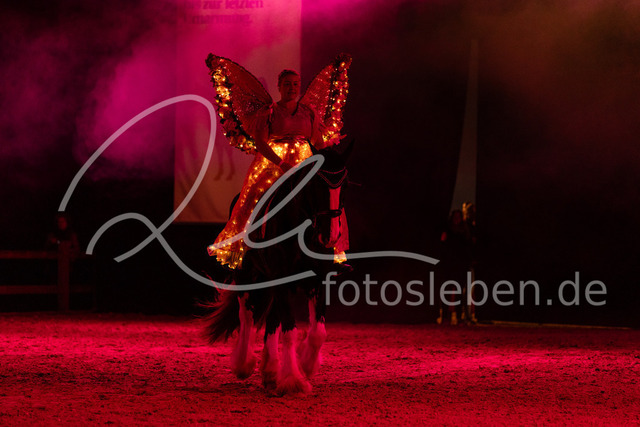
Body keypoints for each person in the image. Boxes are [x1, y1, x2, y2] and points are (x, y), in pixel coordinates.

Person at [207, 69, 347, 269]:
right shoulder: (269, 112)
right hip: (274, 164)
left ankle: (332, 248)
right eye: (287, 84)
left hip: (304, 164)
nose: (292, 88)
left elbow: (317, 142)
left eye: (296, 84)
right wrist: (281, 164)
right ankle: (245, 248)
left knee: (329, 196)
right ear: (279, 87)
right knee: (253, 197)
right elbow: (261, 143)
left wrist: (329, 158)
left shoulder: (308, 112)